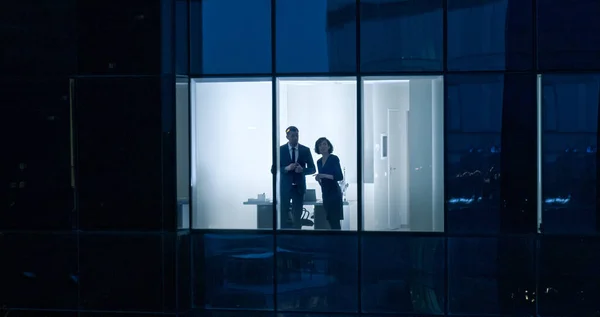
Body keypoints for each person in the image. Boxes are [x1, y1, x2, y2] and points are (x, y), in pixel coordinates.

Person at [277, 126, 316, 229]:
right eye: (292, 136)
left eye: (297, 136)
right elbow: (274, 169)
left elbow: (313, 169)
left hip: (299, 188)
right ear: (287, 137)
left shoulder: (305, 150)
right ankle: (283, 241)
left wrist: (302, 170)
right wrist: (286, 168)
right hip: (285, 188)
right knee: (283, 216)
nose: (295, 138)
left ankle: (297, 240)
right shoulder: (280, 150)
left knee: (297, 218)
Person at [314, 137, 344, 230]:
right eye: (320, 145)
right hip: (325, 193)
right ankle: (335, 242)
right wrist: (318, 178)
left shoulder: (334, 158)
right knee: (330, 221)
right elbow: (323, 182)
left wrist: (323, 175)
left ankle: (339, 242)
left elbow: (339, 176)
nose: (322, 146)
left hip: (334, 193)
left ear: (328, 146)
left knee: (335, 222)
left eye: (324, 144)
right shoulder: (319, 162)